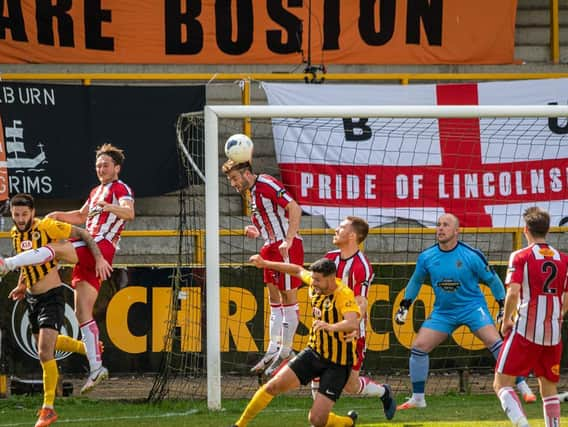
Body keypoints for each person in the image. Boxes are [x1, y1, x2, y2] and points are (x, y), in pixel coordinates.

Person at [2, 144, 135, 394]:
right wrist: (59, 215)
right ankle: (97, 368)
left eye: (105, 165)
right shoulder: (96, 190)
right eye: (98, 165)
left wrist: (109, 208)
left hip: (101, 245)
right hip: (88, 247)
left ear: (116, 167)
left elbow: (130, 213)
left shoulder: (120, 188)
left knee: (55, 246)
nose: (101, 169)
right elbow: (82, 216)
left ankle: (7, 264)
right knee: (82, 312)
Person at [394, 213, 535, 410]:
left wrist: (503, 306)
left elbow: (493, 281)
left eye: (445, 225)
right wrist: (405, 305)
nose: (440, 228)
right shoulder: (426, 256)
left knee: (495, 342)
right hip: (444, 312)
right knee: (419, 347)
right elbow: (416, 281)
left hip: (472, 308)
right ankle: (418, 398)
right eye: (438, 225)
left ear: (456, 231)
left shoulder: (471, 255)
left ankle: (522, 385)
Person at [4, 193, 112, 427]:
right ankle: (88, 347)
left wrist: (99, 257)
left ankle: (48, 408)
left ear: (33, 212)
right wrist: (22, 286)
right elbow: (27, 262)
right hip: (32, 298)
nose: (20, 218)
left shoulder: (47, 226)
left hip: (51, 297)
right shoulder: (15, 233)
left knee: (44, 352)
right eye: (16, 214)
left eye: (24, 214)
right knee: (46, 346)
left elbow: (83, 233)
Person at [232, 256, 360, 427]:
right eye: (312, 278)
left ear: (330, 279)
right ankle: (239, 425)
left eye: (317, 280)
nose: (312, 282)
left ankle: (347, 422)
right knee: (272, 387)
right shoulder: (315, 285)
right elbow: (296, 269)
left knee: (316, 420)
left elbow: (352, 322)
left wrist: (330, 327)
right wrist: (265, 263)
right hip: (314, 353)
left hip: (338, 363)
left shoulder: (343, 294)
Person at [222, 159, 303, 376]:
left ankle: (286, 352)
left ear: (247, 173)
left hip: (284, 246)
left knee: (288, 298)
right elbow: (270, 219)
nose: (233, 184)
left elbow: (294, 207)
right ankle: (273, 349)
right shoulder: (253, 193)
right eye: (230, 180)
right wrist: (258, 232)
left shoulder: (267, 183)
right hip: (269, 246)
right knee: (274, 301)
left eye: (235, 178)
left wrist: (289, 239)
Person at [312, 216, 395, 420]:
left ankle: (384, 392)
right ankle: (321, 420)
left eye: (341, 227)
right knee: (316, 371)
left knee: (351, 386)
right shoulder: (329, 257)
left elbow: (361, 302)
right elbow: (318, 285)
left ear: (352, 236)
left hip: (350, 332)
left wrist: (353, 325)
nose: (336, 230)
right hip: (327, 325)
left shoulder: (361, 266)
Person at [494, 207, 568, 427]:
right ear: (547, 231)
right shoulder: (563, 259)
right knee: (548, 388)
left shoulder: (521, 256)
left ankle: (523, 425)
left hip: (526, 329)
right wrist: (558, 315)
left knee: (501, 384)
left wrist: (506, 319)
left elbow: (513, 292)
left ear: (525, 230)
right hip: (553, 333)